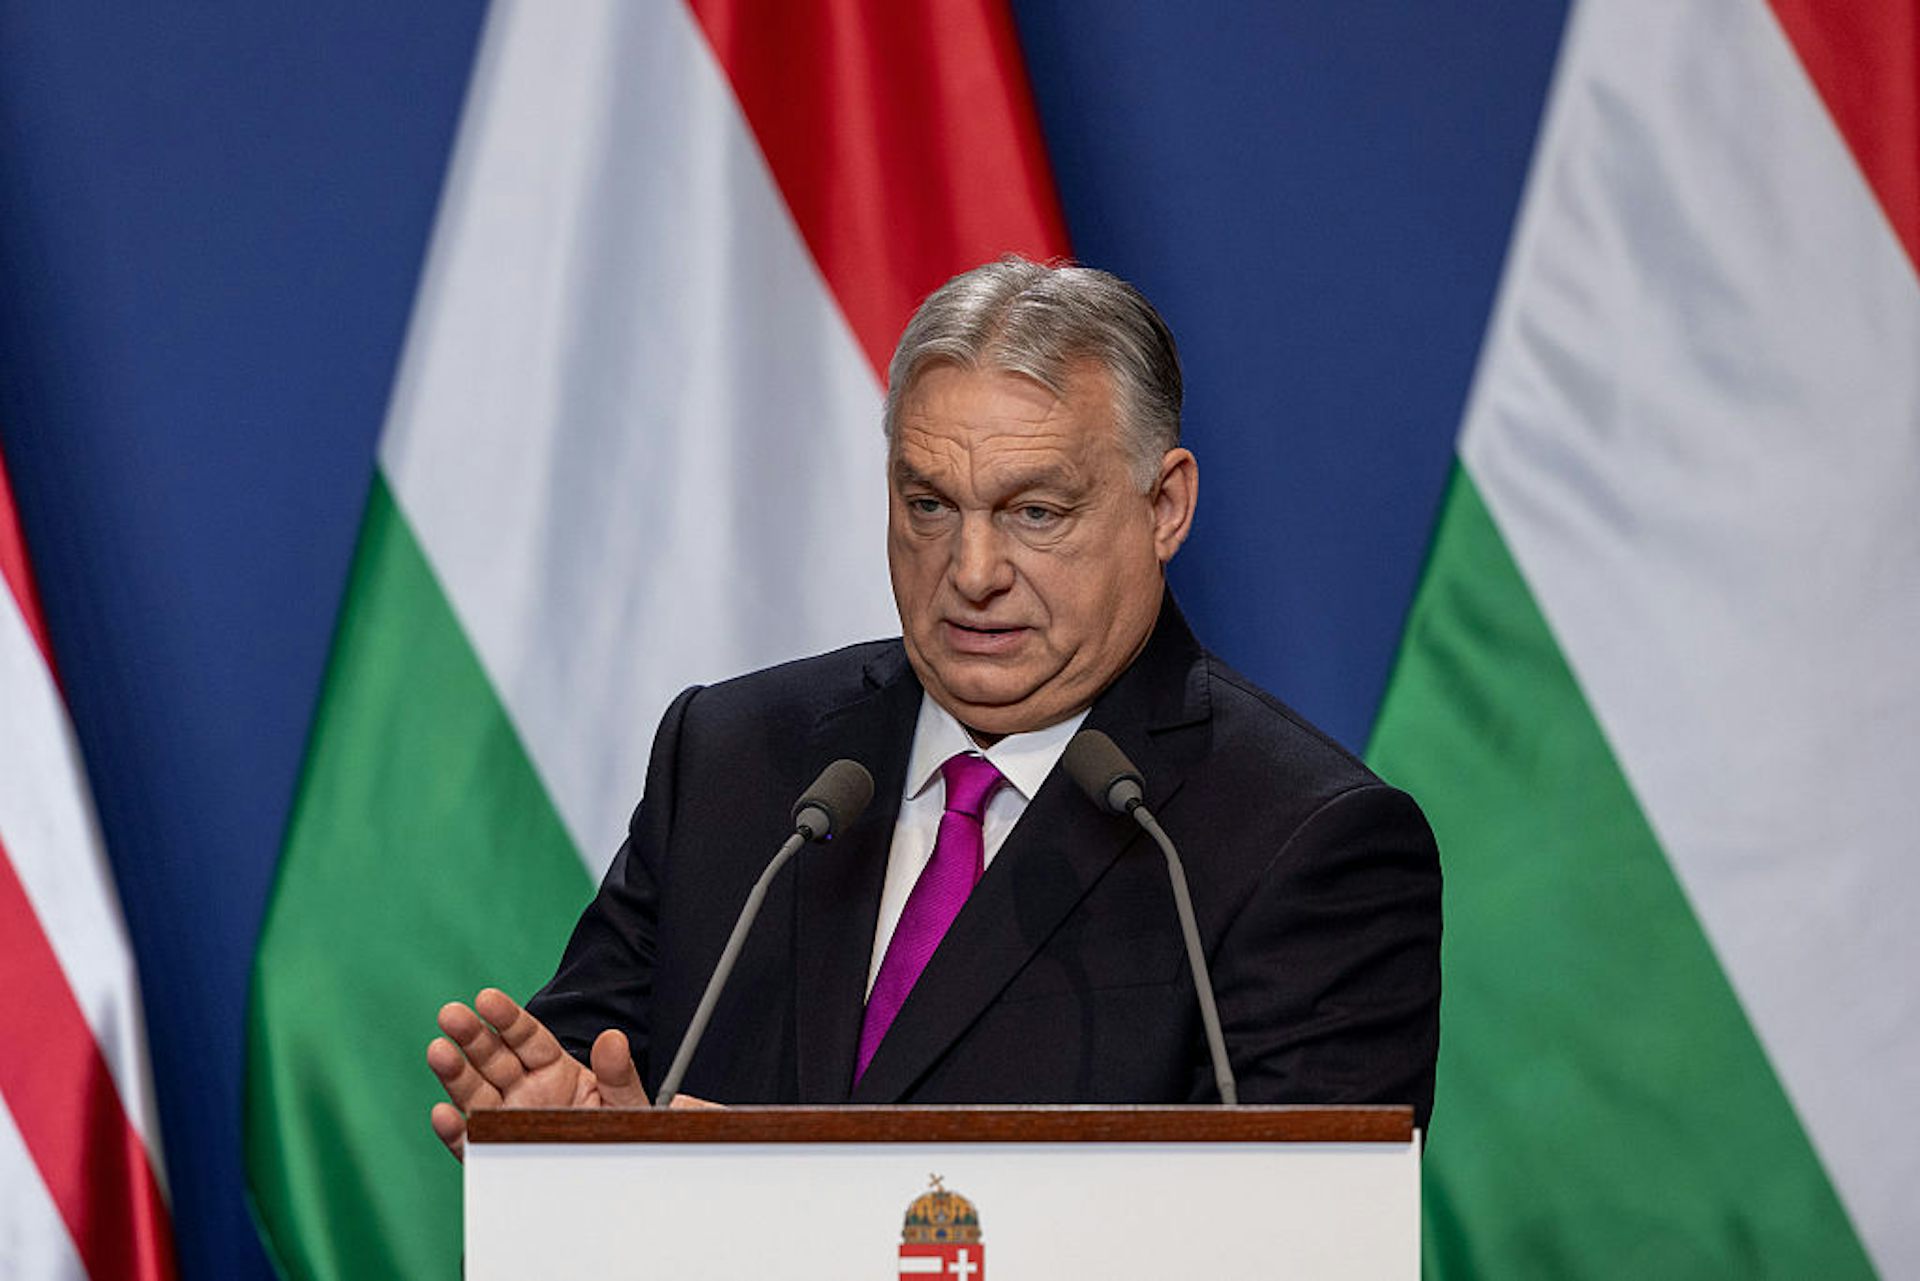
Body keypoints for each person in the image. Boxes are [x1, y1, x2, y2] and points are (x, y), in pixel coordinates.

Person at [427, 256, 1441, 1158]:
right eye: (929, 506)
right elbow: (587, 1093)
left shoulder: (1305, 844)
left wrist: (782, 1225)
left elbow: (1292, 1250)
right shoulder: (734, 761)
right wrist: (562, 1162)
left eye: (1034, 511)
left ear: (1164, 505)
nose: (972, 570)